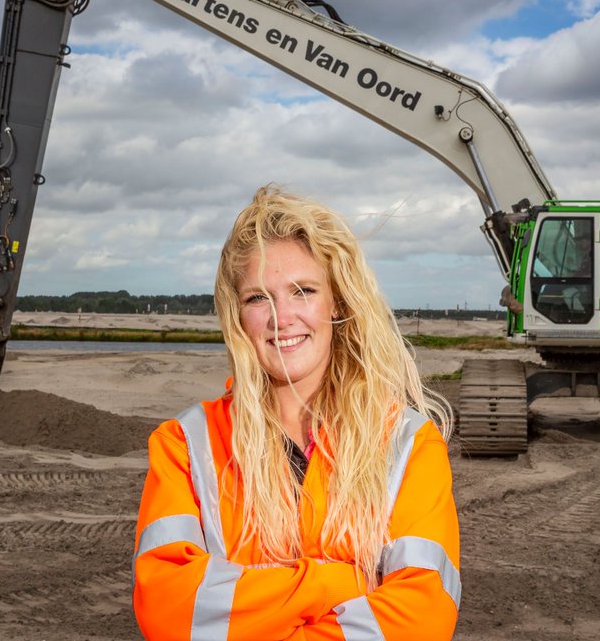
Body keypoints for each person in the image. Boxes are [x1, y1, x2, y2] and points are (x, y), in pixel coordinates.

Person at [133, 185, 460, 640]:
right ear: (236, 316)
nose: (281, 317)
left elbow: (423, 615)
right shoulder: (186, 446)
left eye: (303, 290)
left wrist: (266, 612)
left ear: (338, 303)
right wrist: (338, 579)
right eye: (257, 298)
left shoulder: (406, 443)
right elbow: (171, 611)